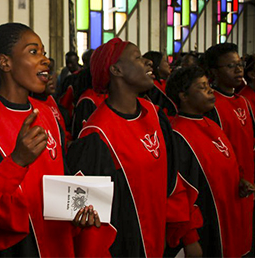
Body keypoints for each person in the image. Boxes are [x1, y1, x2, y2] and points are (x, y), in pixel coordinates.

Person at [0, 23, 109, 257]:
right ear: (5, 63)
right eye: (34, 52)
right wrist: (17, 161)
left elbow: (59, 186)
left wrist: (78, 212)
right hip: (16, 249)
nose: (45, 60)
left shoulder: (46, 113)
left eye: (43, 52)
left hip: (57, 243)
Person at [67, 38, 202, 257]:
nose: (148, 62)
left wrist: (188, 235)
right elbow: (88, 220)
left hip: (160, 243)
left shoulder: (155, 116)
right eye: (138, 57)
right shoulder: (97, 135)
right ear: (116, 69)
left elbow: (172, 183)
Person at [166, 66, 254, 257]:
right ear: (184, 96)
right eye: (202, 87)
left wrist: (239, 181)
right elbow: (179, 195)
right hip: (207, 229)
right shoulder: (177, 135)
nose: (210, 90)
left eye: (209, 85)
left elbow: (226, 163)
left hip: (231, 218)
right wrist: (190, 239)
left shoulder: (211, 123)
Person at [204, 43, 255, 255]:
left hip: (248, 184)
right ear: (214, 72)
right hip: (229, 187)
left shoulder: (243, 100)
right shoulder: (211, 105)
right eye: (230, 65)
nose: (238, 70)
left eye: (239, 64)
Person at [31, 58, 72, 149]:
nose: (49, 77)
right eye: (43, 74)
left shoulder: (50, 98)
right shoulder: (32, 105)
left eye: (50, 72)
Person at [143, 51, 177, 119]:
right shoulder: (152, 87)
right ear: (157, 65)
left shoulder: (168, 82)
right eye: (165, 61)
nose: (168, 64)